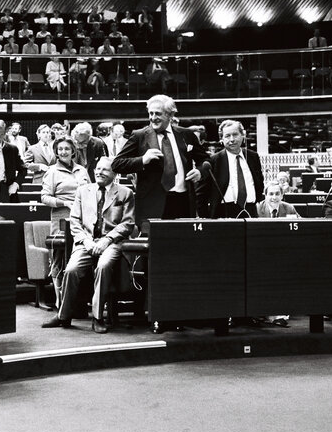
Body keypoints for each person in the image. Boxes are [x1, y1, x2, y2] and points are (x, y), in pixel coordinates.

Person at [42, 157, 136, 333]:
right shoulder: (83, 191)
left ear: (114, 173)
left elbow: (128, 224)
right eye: (97, 169)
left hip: (112, 243)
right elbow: (75, 221)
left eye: (105, 170)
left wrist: (106, 240)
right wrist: (86, 241)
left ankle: (98, 316)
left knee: (103, 265)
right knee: (71, 270)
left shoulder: (125, 193)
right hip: (86, 241)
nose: (99, 172)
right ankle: (64, 316)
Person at [112, 94, 209, 231]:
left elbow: (205, 160)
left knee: (182, 246)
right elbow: (117, 164)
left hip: (183, 202)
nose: (152, 118)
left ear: (170, 115)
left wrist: (200, 171)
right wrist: (142, 160)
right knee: (154, 250)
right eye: (150, 113)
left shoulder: (186, 135)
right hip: (152, 206)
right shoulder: (139, 136)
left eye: (158, 113)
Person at [40, 136, 90, 306]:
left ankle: (80, 300)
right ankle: (60, 301)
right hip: (61, 219)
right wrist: (64, 202)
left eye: (67, 149)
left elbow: (91, 191)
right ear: (56, 152)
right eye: (60, 149)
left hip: (82, 220)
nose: (63, 152)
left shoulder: (82, 170)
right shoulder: (52, 171)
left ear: (73, 151)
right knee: (59, 258)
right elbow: (44, 197)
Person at [203, 120, 264, 219]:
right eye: (227, 136)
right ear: (221, 139)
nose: (232, 139)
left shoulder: (253, 156)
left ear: (243, 136)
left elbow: (260, 183)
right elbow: (202, 194)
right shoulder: (214, 160)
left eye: (235, 134)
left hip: (250, 210)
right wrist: (207, 219)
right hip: (224, 212)